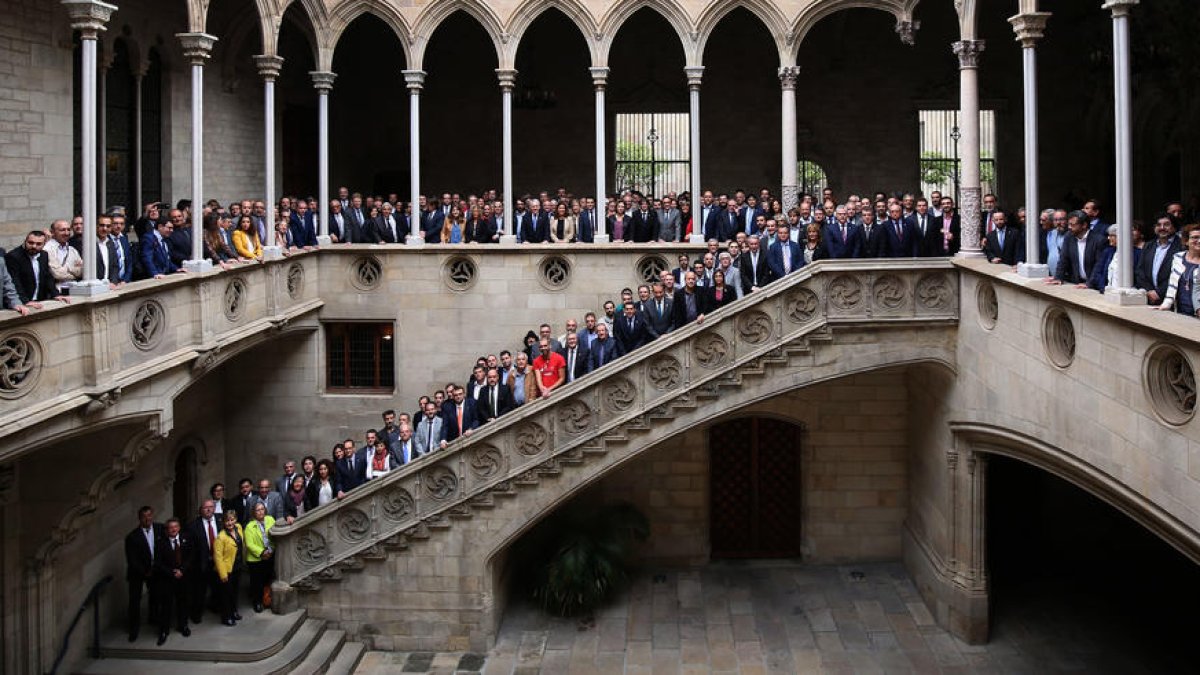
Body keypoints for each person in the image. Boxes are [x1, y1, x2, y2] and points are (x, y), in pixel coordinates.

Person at [153, 517, 196, 645]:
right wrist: (172, 572)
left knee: (183, 602)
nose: (173, 529)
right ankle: (164, 631)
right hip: (167, 579)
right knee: (166, 606)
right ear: (166, 530)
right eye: (170, 527)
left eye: (175, 527)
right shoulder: (161, 543)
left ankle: (183, 625)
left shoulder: (186, 539)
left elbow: (191, 556)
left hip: (183, 578)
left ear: (179, 528)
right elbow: (158, 563)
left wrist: (182, 570)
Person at [125, 505, 164, 642]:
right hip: (138, 573)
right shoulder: (132, 537)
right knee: (135, 601)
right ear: (139, 518)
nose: (147, 519)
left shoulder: (160, 529)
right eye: (144, 516)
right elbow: (132, 559)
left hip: (156, 570)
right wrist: (145, 571)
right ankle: (134, 628)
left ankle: (154, 619)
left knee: (156, 596)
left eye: (149, 515)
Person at [1136, 214, 1183, 305]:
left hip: (1173, 301)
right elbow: (1140, 271)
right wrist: (1149, 291)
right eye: (1158, 225)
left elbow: (1179, 274)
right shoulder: (1148, 246)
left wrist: (1159, 293)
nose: (1162, 228)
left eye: (1166, 224)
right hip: (1149, 298)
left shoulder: (1181, 247)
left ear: (1174, 227)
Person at [189, 499, 223, 625]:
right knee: (199, 591)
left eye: (211, 507)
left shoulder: (221, 521)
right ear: (200, 510)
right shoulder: (193, 526)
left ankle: (216, 607)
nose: (208, 509)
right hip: (201, 564)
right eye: (205, 507)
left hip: (218, 562)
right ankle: (196, 614)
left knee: (218, 587)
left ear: (214, 508)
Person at [1156, 225, 1200, 317]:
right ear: (1186, 241)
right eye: (1195, 237)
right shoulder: (1178, 258)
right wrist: (1165, 305)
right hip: (1180, 312)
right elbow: (1172, 284)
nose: (1199, 241)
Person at [213, 511, 245, 626]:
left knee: (235, 592)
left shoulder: (239, 528)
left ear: (235, 520)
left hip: (238, 566)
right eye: (227, 520)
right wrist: (223, 574)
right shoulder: (220, 537)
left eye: (232, 520)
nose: (230, 523)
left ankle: (234, 611)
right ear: (224, 522)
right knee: (226, 595)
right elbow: (218, 557)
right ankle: (226, 617)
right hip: (227, 570)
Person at [244, 503, 275, 613]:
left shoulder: (270, 519)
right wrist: (262, 552)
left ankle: (266, 600)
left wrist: (271, 551)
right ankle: (257, 602)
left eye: (262, 509)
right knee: (257, 582)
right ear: (254, 513)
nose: (261, 511)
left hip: (270, 555)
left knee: (267, 580)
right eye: (258, 510)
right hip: (256, 559)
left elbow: (276, 535)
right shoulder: (249, 526)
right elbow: (249, 544)